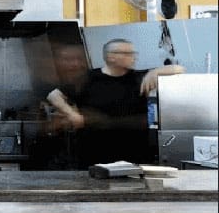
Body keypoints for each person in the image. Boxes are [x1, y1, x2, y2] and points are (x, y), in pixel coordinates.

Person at [46, 38, 184, 168]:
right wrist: (72, 115)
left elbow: (179, 69)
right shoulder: (89, 79)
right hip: (94, 153)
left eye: (133, 53)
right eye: (127, 53)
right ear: (111, 56)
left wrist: (156, 71)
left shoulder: (139, 78)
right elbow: (53, 95)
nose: (133, 57)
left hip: (135, 152)